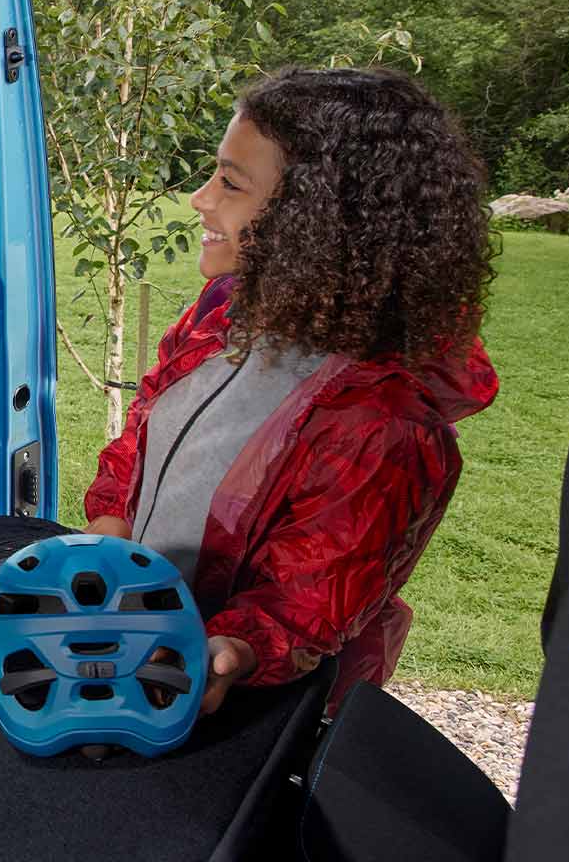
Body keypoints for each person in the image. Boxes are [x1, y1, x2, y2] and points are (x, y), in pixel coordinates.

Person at [83, 67, 498, 713]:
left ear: (318, 218)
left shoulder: (380, 423)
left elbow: (306, 600)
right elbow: (146, 427)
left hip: (233, 700)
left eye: (230, 182)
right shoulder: (226, 312)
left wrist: (232, 649)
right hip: (134, 640)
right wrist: (112, 524)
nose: (200, 199)